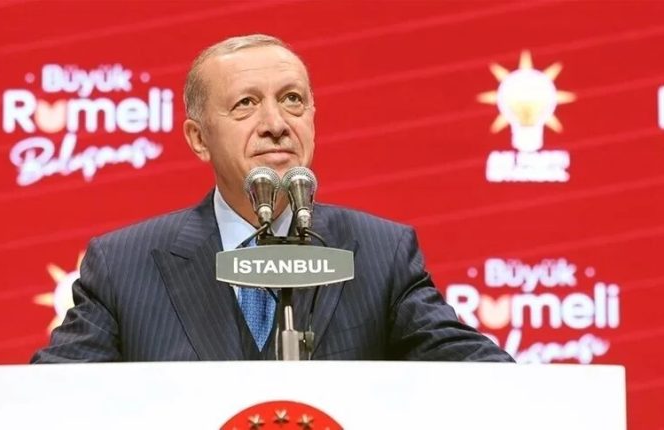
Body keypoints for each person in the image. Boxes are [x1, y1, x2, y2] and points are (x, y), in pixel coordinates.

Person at [31, 34, 513, 363]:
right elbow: (50, 400)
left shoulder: (381, 253)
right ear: (198, 138)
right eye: (246, 104)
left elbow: (479, 376)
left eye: (292, 99)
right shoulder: (123, 267)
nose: (277, 124)